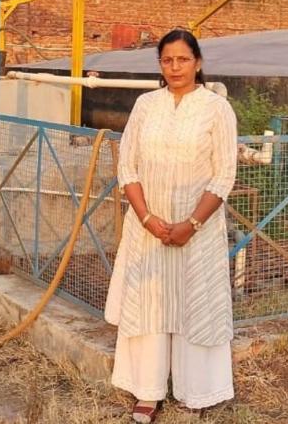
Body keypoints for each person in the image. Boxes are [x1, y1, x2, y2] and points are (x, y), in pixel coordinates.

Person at [104, 29, 238, 423]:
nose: (175, 67)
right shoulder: (146, 105)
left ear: (198, 62)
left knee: (196, 304)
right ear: (160, 64)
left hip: (198, 230)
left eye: (182, 59)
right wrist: (147, 218)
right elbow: (127, 165)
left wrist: (191, 224)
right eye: (167, 60)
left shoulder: (216, 109)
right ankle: (147, 391)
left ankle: (198, 392)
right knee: (149, 303)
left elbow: (224, 174)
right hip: (148, 228)